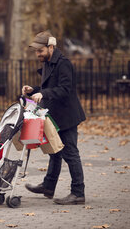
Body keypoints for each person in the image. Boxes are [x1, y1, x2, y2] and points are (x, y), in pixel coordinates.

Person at [22, 30, 86, 205]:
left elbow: (65, 89)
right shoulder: (49, 62)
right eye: (36, 51)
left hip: (67, 116)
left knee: (70, 153)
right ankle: (48, 187)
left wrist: (43, 93)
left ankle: (78, 193)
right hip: (54, 114)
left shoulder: (63, 64)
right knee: (54, 152)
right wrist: (34, 90)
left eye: (40, 50)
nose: (37, 54)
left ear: (51, 47)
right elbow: (50, 87)